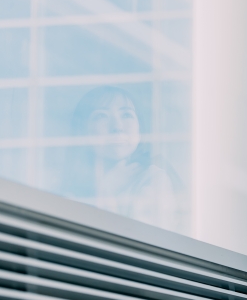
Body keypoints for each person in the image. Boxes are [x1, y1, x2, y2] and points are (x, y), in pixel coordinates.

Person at [69, 86, 185, 232]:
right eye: (101, 116)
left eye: (126, 115)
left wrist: (106, 193)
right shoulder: (73, 187)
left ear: (140, 127)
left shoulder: (153, 179)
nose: (117, 127)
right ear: (83, 130)